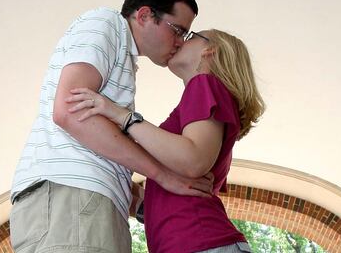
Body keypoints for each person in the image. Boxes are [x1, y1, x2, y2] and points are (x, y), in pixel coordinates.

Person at [9, 0, 214, 253]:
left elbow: (96, 142)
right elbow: (68, 111)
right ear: (144, 15)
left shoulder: (123, 57)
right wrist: (163, 175)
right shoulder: (105, 23)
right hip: (73, 198)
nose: (180, 42)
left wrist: (137, 198)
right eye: (177, 30)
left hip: (85, 204)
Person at [68, 28, 266, 253]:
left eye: (190, 37)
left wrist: (122, 116)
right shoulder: (204, 106)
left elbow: (194, 159)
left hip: (201, 242)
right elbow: (183, 185)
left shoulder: (204, 83)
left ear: (211, 51)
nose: (180, 41)